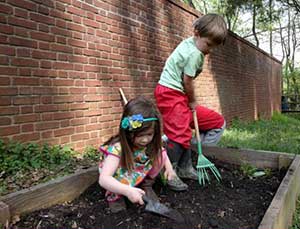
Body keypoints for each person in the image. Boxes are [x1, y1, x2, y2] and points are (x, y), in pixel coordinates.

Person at [154, 13, 228, 190]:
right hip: (171, 92)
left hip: (170, 91)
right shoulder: (195, 53)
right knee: (178, 133)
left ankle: (185, 167)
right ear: (196, 32)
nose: (209, 50)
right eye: (208, 44)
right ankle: (168, 173)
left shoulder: (189, 43)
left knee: (183, 131)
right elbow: (187, 81)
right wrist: (192, 101)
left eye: (213, 47)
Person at [98, 96, 177, 213]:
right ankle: (115, 196)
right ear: (128, 132)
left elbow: (162, 151)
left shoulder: (151, 142)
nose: (145, 140)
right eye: (140, 135)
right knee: (116, 188)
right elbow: (104, 179)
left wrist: (169, 168)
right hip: (118, 174)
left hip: (135, 169)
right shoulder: (118, 149)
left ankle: (146, 184)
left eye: (149, 134)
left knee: (158, 153)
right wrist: (127, 191)